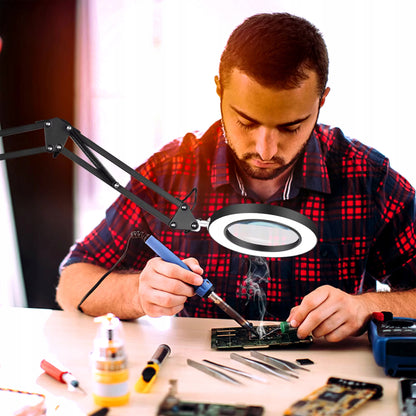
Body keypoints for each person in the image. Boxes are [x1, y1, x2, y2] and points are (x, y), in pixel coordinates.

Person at [56, 12, 416, 342]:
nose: (265, 149)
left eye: (290, 127)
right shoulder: (169, 174)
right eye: (246, 122)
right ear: (219, 90)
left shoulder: (367, 179)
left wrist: (364, 307)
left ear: (321, 101)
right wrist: (138, 293)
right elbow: (72, 285)